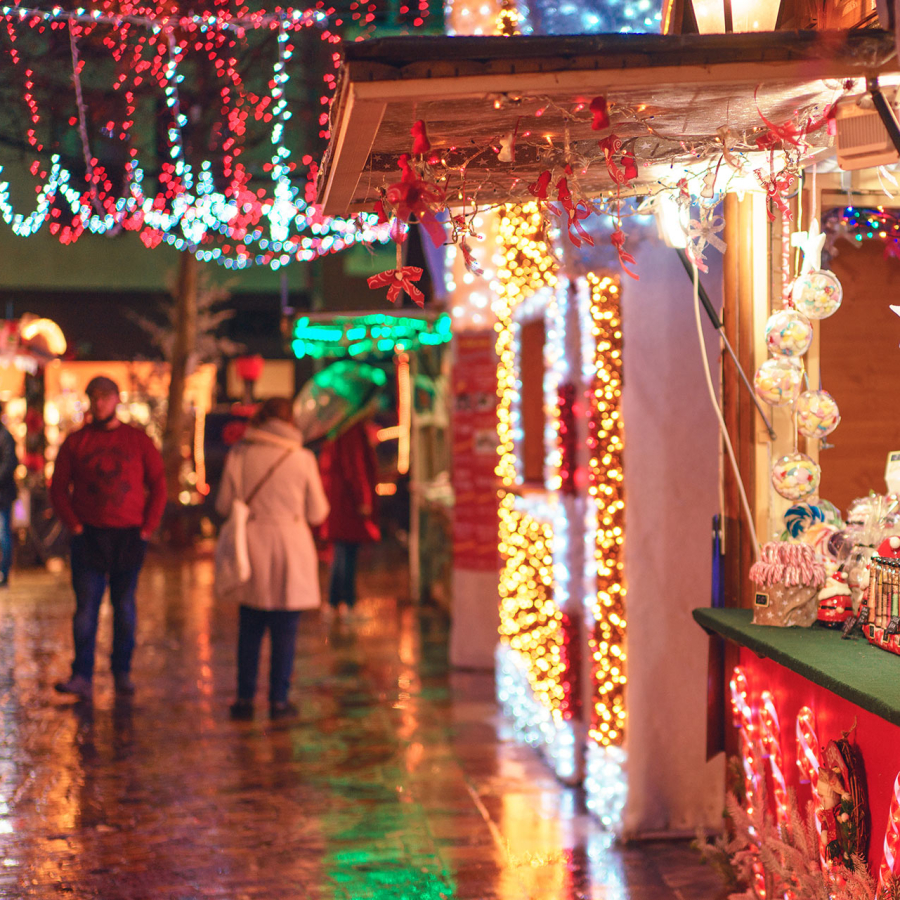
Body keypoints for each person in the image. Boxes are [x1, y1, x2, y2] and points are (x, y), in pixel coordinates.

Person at [50, 375, 166, 700]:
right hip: (89, 535)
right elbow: (58, 488)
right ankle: (82, 674)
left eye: (105, 396)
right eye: (94, 396)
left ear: (116, 399)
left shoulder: (137, 441)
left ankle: (122, 671)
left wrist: (147, 527)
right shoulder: (76, 443)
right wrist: (73, 525)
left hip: (128, 535)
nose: (99, 402)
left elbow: (158, 483)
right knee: (86, 608)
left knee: (124, 607)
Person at [216, 397, 329, 720]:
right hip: (291, 548)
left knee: (249, 628)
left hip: (250, 546)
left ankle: (244, 699)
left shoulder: (240, 453)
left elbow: (225, 504)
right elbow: (317, 512)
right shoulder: (302, 458)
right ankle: (279, 700)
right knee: (285, 630)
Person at [318, 418, 380, 622]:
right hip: (348, 504)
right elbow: (355, 467)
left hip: (338, 500)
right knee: (347, 552)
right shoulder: (350, 430)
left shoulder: (336, 429)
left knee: (341, 551)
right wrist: (364, 499)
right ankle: (347, 604)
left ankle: (335, 602)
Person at [0, 403, 18, 587]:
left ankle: (4, 573)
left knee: (3, 534)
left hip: (2, 495)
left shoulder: (5, 436)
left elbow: (9, 462)